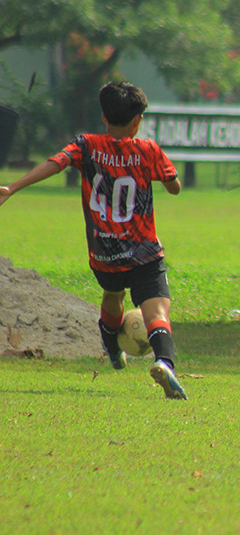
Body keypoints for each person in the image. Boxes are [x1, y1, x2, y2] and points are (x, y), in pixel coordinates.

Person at [0, 81, 188, 400]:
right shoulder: (148, 150)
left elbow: (55, 163)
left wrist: (13, 187)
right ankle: (164, 362)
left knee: (113, 295)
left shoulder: (86, 145)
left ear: (104, 115)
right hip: (143, 249)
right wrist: (164, 177)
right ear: (137, 121)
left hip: (104, 252)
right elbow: (174, 187)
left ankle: (112, 346)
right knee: (157, 310)